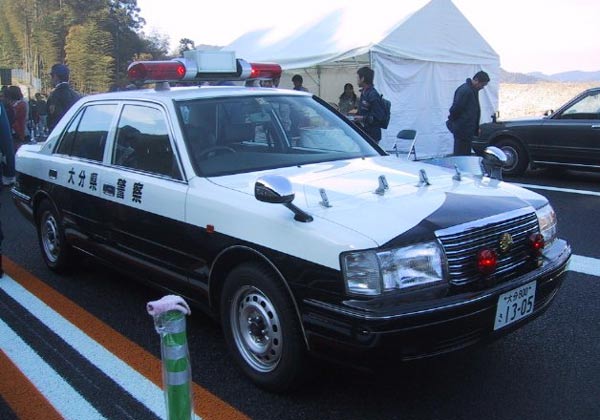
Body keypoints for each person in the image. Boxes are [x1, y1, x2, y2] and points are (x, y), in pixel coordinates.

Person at [446, 70, 490, 156]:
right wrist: (454, 123)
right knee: (461, 155)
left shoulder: (472, 90)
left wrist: (475, 127)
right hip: (462, 130)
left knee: (465, 154)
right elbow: (455, 109)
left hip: (467, 130)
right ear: (476, 80)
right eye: (482, 85)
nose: (482, 87)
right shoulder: (465, 91)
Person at [352, 66, 386, 143]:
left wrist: (362, 118)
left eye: (357, 78)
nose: (357, 80)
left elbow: (378, 117)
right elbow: (363, 111)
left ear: (362, 78)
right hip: (364, 132)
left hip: (372, 136)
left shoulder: (373, 95)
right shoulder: (364, 93)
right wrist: (354, 117)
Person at [47, 63, 80, 131]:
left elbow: (54, 118)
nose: (51, 79)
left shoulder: (54, 96)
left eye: (51, 76)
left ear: (55, 76)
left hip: (60, 132)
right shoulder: (76, 95)